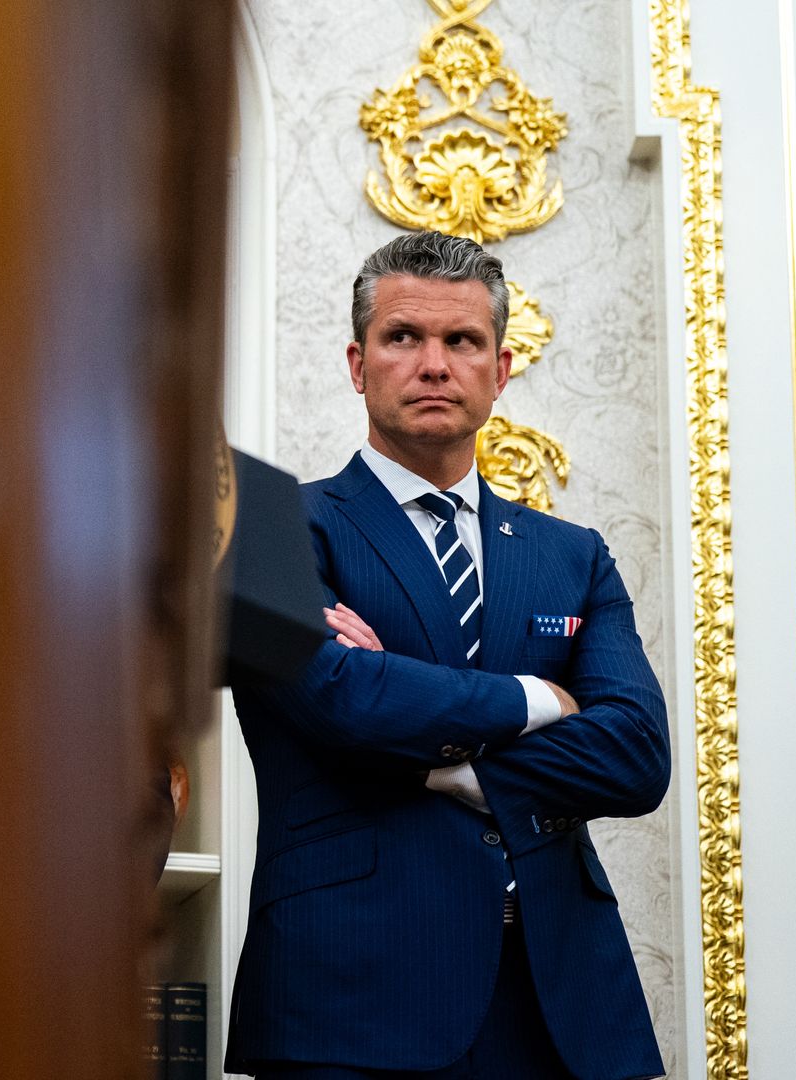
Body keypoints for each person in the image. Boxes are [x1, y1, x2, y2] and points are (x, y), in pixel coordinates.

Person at [222, 231, 669, 1079]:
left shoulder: (574, 556)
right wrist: (542, 699)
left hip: (561, 1000)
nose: (435, 364)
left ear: (500, 371)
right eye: (403, 338)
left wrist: (436, 760)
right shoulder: (274, 527)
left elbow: (637, 755)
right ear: (359, 365)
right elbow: (342, 702)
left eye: (462, 341)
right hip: (349, 999)